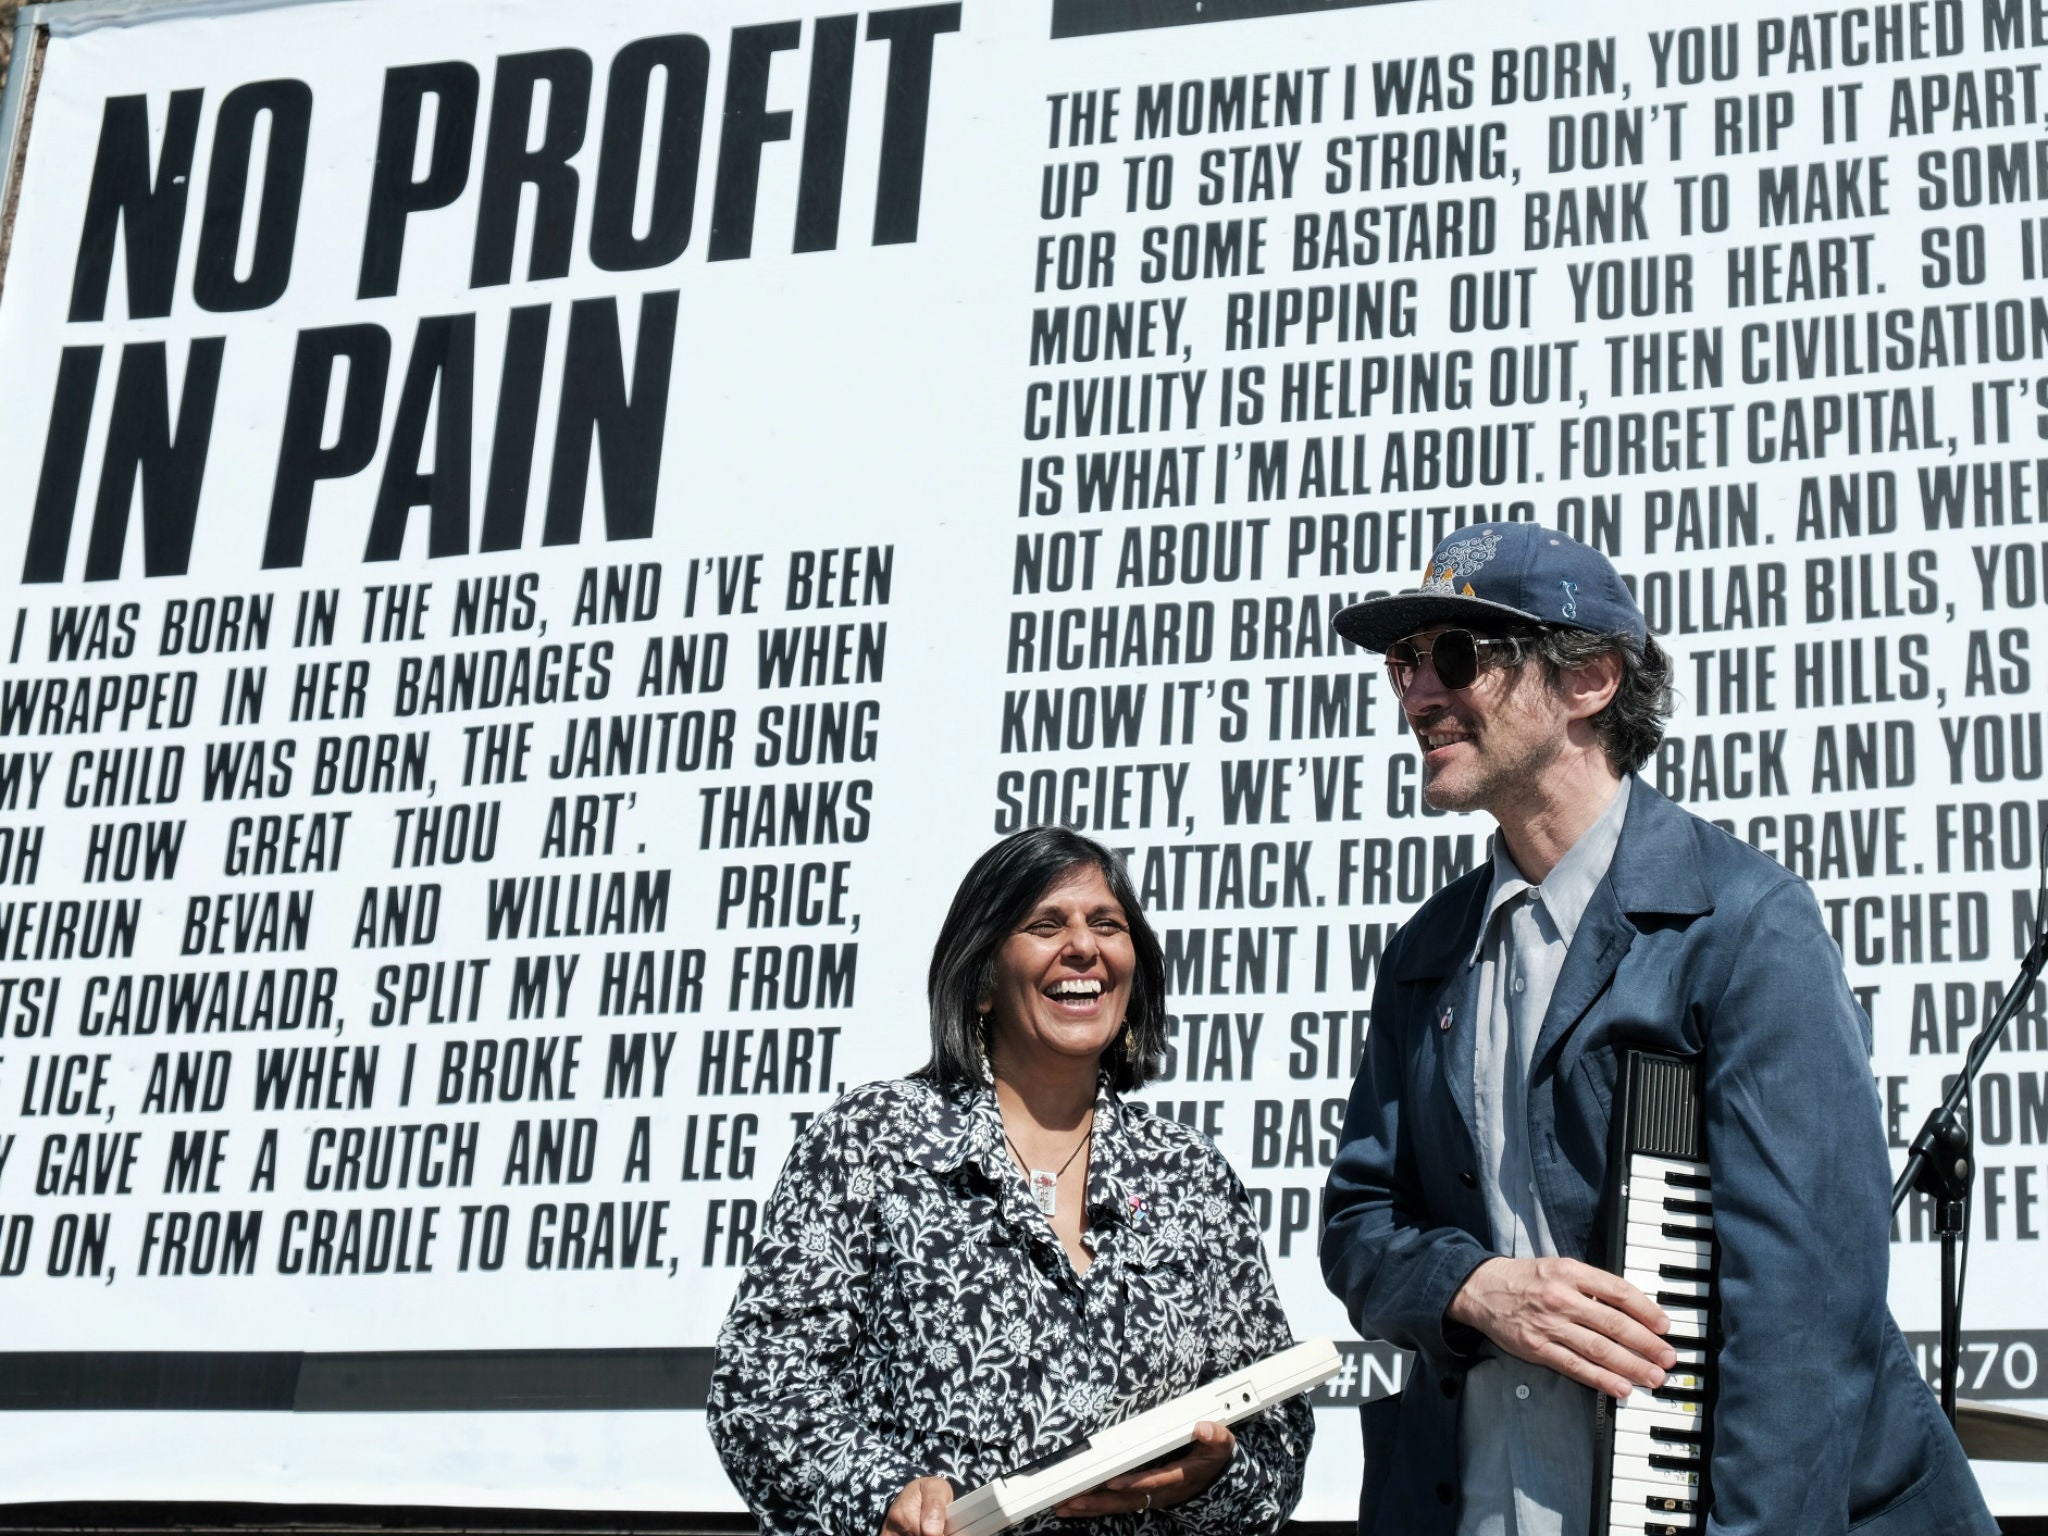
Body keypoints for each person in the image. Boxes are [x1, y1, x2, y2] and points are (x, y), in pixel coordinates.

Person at [1319, 522, 1993, 1536]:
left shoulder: (1745, 926)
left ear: (1588, 678)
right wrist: (1473, 1287)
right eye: (1403, 662)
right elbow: (1357, 1225)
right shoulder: (1427, 948)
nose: (1416, 693)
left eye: (1454, 656)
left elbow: (1800, 1329)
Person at [710, 826, 1312, 1536]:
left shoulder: (1191, 1175)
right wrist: (882, 1496)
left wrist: (1210, 1480)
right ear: (984, 980)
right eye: (1046, 924)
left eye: (1107, 925)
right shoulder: (873, 1139)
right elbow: (761, 1386)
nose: (1084, 946)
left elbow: (1277, 1436)